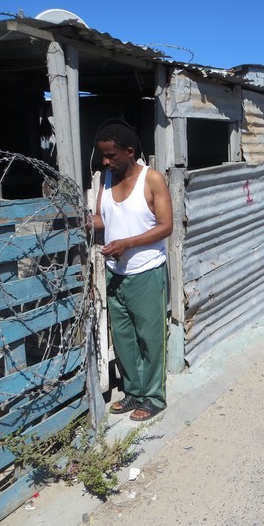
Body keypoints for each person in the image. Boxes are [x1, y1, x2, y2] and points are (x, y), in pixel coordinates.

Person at [92, 123, 173, 421]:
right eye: (102, 155)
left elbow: (166, 226)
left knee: (150, 339)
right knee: (124, 339)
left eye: (110, 155)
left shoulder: (152, 180)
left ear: (129, 151)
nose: (105, 161)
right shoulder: (106, 179)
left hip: (146, 273)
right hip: (116, 273)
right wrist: (84, 221)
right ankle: (134, 392)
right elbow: (103, 219)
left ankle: (154, 397)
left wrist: (127, 243)